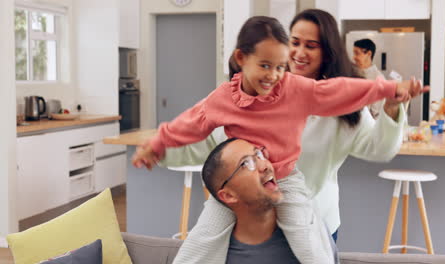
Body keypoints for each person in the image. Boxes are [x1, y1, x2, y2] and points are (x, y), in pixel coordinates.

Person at [133, 16, 425, 264]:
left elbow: (340, 91)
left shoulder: (296, 89)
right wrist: (156, 146)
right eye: (265, 65)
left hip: (286, 180)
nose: (274, 75)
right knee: (202, 238)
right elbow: (190, 124)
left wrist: (388, 90)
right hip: (240, 187)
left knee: (310, 245)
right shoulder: (224, 98)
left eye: (280, 66)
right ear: (240, 59)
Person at [201, 138, 338, 263]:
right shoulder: (218, 254)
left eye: (259, 155)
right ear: (228, 196)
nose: (265, 165)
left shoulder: (312, 232)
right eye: (245, 163)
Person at [353, 38, 386, 118]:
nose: (354, 57)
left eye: (357, 53)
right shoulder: (352, 73)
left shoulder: (378, 79)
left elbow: (376, 113)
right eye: (354, 53)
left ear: (369, 54)